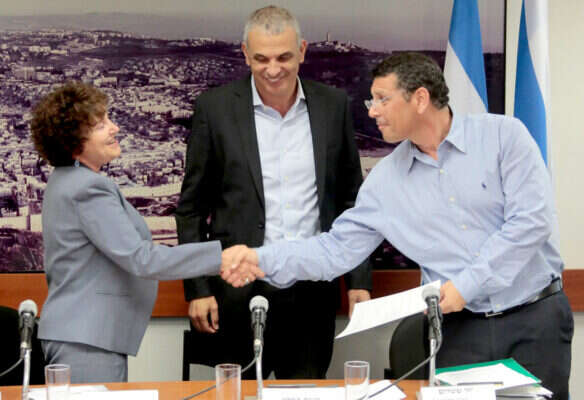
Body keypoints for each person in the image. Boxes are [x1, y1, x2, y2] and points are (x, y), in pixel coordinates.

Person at [222, 53, 573, 399]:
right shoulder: (385, 182)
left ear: (420, 99)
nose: (372, 111)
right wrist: (260, 258)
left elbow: (531, 223)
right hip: (458, 329)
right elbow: (334, 250)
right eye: (371, 100)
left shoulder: (503, 137)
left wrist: (467, 285)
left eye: (382, 99)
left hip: (534, 317)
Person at [175, 5, 372, 379]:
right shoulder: (215, 109)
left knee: (305, 395)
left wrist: (358, 281)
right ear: (245, 54)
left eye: (284, 57)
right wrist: (198, 289)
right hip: (237, 293)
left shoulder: (332, 106)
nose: (273, 69)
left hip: (312, 292)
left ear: (302, 50)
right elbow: (191, 210)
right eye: (262, 58)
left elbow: (351, 201)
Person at [29, 82, 252, 383]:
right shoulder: (87, 188)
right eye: (101, 124)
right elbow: (141, 258)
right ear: (73, 141)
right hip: (88, 338)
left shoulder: (66, 180)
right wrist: (221, 257)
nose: (115, 128)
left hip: (84, 334)